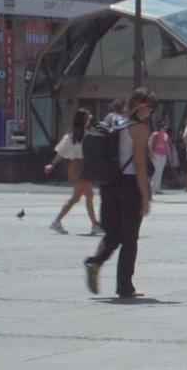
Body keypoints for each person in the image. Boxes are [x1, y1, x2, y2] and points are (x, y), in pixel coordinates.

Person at [84, 88, 155, 299]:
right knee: (130, 238)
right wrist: (145, 196)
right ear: (141, 106)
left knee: (113, 233)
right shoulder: (139, 129)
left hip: (109, 184)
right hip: (130, 185)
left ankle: (95, 261)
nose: (151, 113)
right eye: (151, 108)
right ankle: (125, 286)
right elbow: (140, 166)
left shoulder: (112, 120)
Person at [44, 109, 101, 236]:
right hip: (77, 167)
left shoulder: (86, 133)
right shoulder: (72, 135)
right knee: (78, 198)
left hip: (83, 167)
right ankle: (58, 221)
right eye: (87, 118)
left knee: (87, 195)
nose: (89, 120)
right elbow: (61, 152)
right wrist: (52, 164)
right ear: (82, 119)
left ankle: (94, 224)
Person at [149, 121, 171, 197]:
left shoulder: (166, 135)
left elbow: (167, 145)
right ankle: (152, 187)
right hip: (155, 153)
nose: (165, 130)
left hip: (163, 154)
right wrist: (151, 153)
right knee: (158, 169)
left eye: (166, 128)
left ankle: (157, 188)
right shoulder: (155, 134)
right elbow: (150, 143)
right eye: (163, 128)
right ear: (160, 128)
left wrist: (169, 155)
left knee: (160, 170)